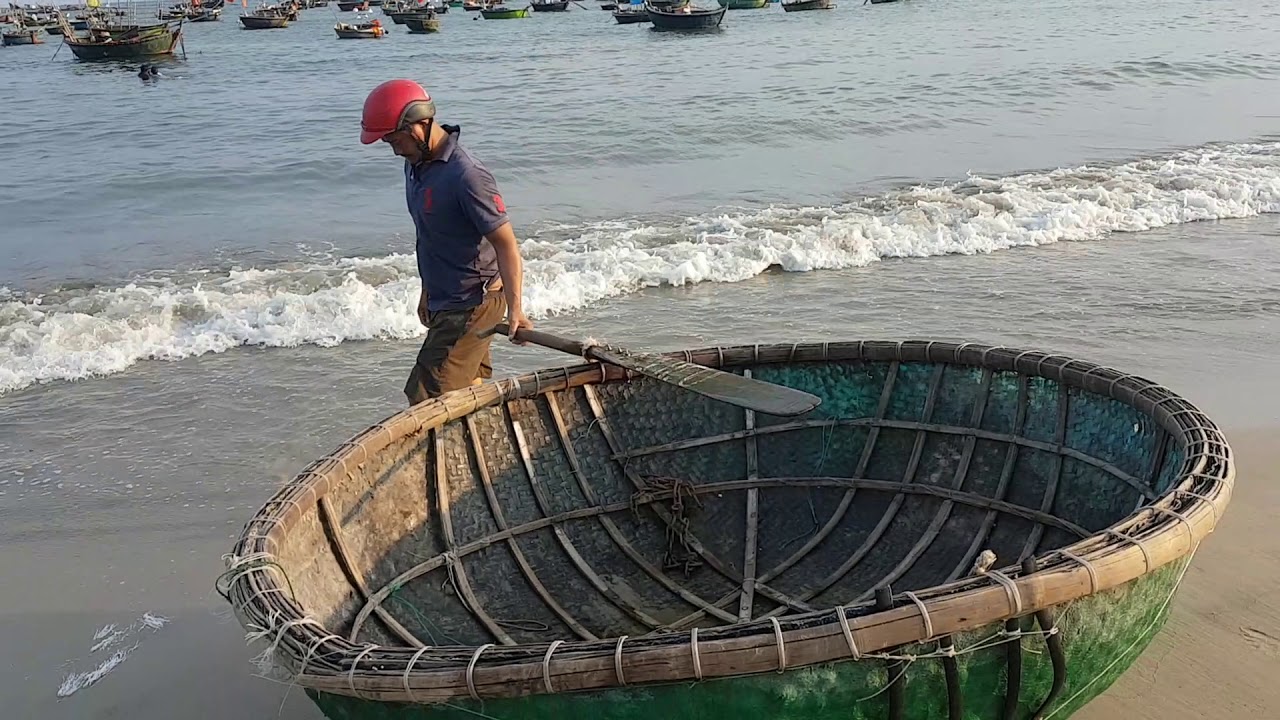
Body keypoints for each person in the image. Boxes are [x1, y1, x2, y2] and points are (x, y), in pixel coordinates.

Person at [359, 79, 533, 407]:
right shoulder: (417, 167)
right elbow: (430, 234)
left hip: (474, 301)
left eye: (395, 140)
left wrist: (516, 310)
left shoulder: (466, 176)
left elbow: (506, 244)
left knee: (426, 394)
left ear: (420, 124)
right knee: (469, 385)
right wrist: (428, 290)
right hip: (447, 298)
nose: (394, 149)